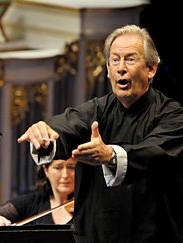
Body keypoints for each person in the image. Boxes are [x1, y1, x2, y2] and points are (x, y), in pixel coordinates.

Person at [17, 24, 183, 242]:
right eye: (115, 60)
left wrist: (110, 156)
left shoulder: (172, 114)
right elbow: (67, 124)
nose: (120, 68)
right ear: (107, 69)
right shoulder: (96, 110)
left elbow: (154, 152)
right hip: (96, 235)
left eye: (130, 59)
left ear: (151, 69)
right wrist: (45, 134)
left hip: (151, 235)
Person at [0, 157, 75, 226]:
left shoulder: (87, 205)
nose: (65, 175)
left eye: (71, 167)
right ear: (46, 170)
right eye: (58, 167)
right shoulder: (34, 202)